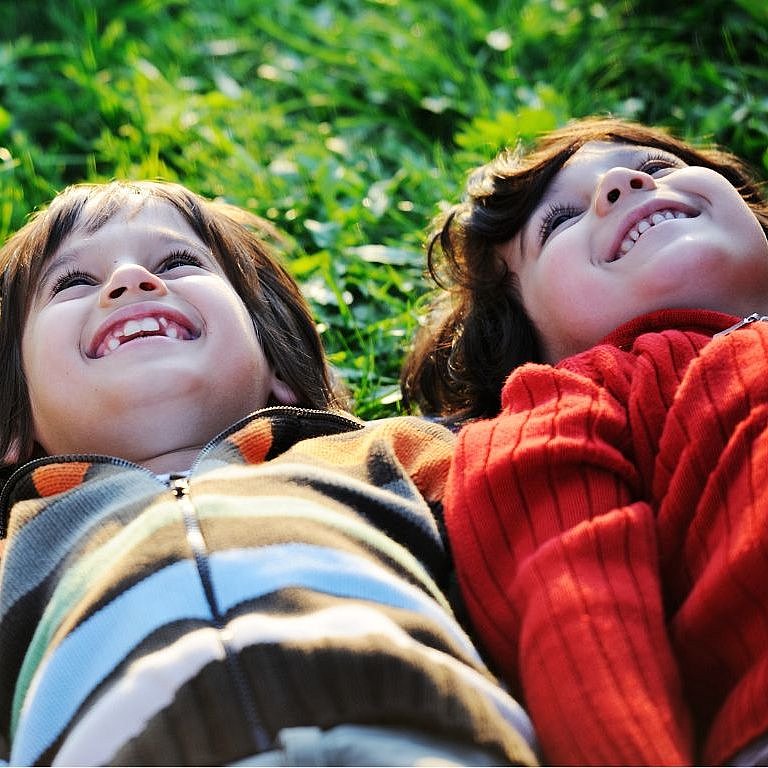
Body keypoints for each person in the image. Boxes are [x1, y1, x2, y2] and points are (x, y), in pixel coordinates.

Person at [0, 180, 539, 767]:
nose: (130, 280)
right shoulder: (17, 552)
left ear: (276, 360)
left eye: (177, 263)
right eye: (72, 282)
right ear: (15, 417)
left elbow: (544, 548)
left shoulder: (390, 456)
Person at [402, 117, 768, 765]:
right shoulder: (573, 398)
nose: (623, 183)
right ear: (528, 342)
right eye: (560, 222)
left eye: (656, 168)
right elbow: (578, 616)